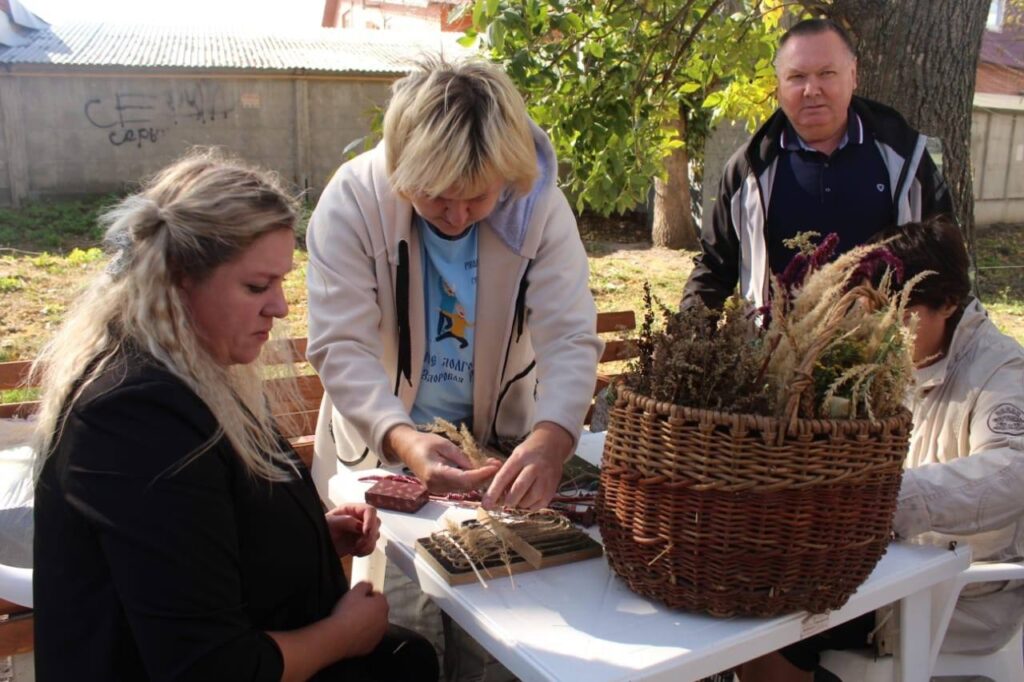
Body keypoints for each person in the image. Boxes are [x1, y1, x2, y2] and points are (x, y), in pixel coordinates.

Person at [31, 151, 439, 682]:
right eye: (256, 287)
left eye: (281, 283)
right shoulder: (133, 418)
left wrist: (307, 540)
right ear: (178, 280)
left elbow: (193, 538)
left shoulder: (196, 371)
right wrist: (343, 636)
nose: (281, 307)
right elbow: (208, 666)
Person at [305, 56, 602, 680]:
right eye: (436, 197)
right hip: (382, 455)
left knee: (499, 633)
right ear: (401, 168)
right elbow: (342, 346)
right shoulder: (354, 200)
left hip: (494, 458)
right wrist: (407, 439)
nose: (457, 216)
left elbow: (570, 335)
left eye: (477, 198)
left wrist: (552, 438)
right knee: (406, 629)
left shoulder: (539, 207)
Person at [739, 217, 1024, 680]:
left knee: (775, 617)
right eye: (875, 308)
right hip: (877, 568)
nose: (882, 325)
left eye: (900, 311)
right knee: (751, 589)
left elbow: (1012, 473)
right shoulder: (883, 357)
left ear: (948, 303)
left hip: (958, 593)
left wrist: (886, 498)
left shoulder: (998, 370)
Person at [681, 17, 953, 311]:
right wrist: (686, 337)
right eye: (797, 77)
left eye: (827, 73)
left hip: (881, 347)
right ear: (778, 86)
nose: (812, 89)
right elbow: (713, 268)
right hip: (777, 351)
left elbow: (946, 265)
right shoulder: (748, 170)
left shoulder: (904, 159)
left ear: (853, 75)